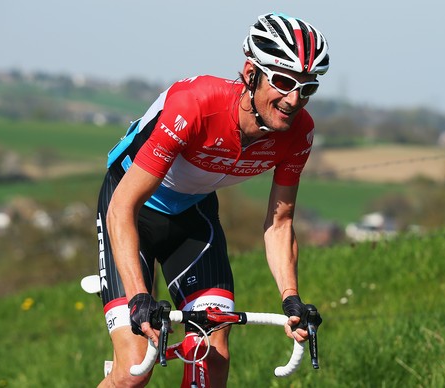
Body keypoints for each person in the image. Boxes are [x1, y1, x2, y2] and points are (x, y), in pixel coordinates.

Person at [95, 12, 329, 387]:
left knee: (213, 357)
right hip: (132, 209)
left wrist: (291, 299)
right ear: (251, 73)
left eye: (307, 88)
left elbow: (279, 222)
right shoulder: (195, 104)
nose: (293, 99)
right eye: (284, 82)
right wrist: (140, 295)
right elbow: (123, 207)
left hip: (194, 213)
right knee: (134, 369)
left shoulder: (299, 134)